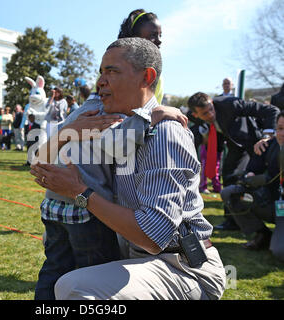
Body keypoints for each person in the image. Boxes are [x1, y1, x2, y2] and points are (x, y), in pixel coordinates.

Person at [31, 37, 226, 300]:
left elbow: (153, 236)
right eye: (101, 72)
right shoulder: (114, 126)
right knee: (61, 284)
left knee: (75, 287)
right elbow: (38, 163)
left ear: (146, 77)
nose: (100, 81)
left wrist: (79, 192)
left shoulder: (164, 133)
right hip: (140, 259)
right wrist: (66, 133)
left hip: (182, 267)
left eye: (111, 71)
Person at [187, 92, 280, 231]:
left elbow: (272, 110)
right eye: (205, 114)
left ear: (212, 102)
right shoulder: (191, 116)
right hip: (235, 145)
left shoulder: (230, 104)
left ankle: (261, 220)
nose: (211, 115)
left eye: (211, 109)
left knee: (250, 179)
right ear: (196, 115)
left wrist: (267, 136)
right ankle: (233, 220)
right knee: (228, 176)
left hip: (255, 142)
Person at [220, 111, 284, 250]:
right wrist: (251, 175)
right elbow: (254, 167)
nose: (282, 134)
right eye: (280, 129)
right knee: (231, 193)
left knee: (279, 252)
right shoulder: (268, 145)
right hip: (270, 203)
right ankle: (262, 234)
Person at [118, 9, 163, 104]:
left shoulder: (157, 75)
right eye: (153, 35)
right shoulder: (113, 65)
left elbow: (153, 110)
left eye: (160, 35)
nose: (159, 41)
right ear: (135, 38)